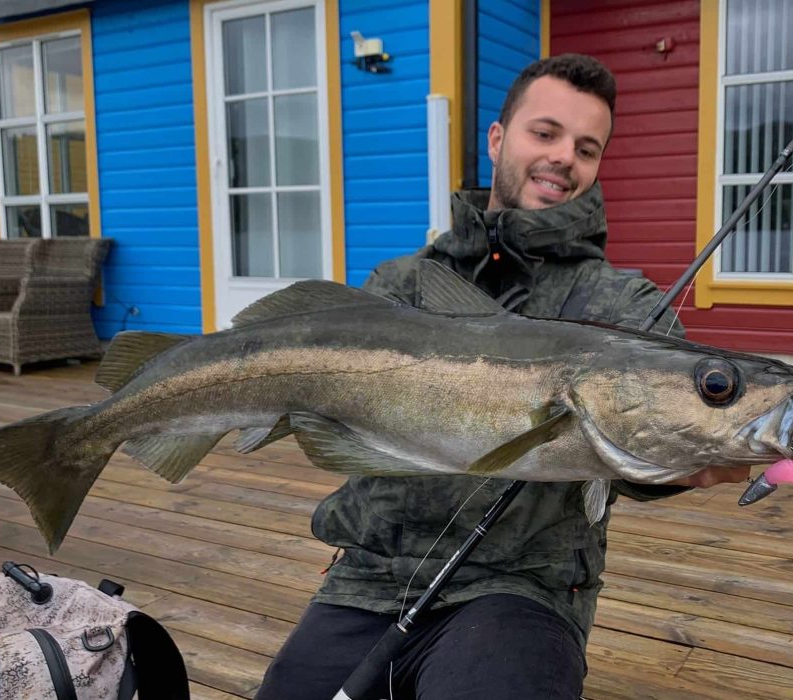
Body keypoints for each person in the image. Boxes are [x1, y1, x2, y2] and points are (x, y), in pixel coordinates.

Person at [256, 53, 749, 700]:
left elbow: (640, 450)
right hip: (369, 579)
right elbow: (332, 429)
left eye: (586, 147)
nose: (564, 157)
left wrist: (684, 461)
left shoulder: (624, 308)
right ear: (497, 139)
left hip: (522, 588)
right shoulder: (399, 284)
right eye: (545, 133)